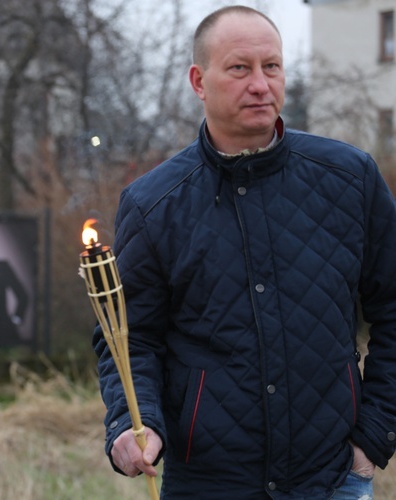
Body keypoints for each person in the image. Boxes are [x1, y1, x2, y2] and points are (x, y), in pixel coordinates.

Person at [94, 5, 396, 498]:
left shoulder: (350, 179)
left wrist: (375, 434)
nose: (261, 84)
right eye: (240, 68)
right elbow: (129, 340)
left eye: (271, 66)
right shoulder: (153, 205)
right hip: (208, 484)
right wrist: (132, 423)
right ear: (199, 80)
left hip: (331, 478)